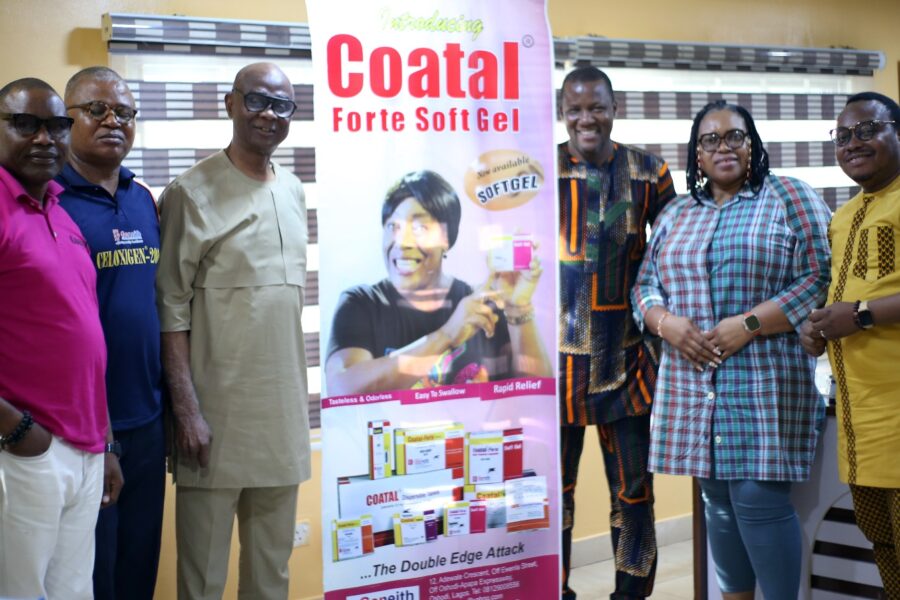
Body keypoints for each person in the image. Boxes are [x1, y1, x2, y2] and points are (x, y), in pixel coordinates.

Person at [632, 100, 831, 599]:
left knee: (759, 500)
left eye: (735, 136)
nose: (723, 147)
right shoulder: (676, 213)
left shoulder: (788, 197)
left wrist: (750, 323)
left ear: (752, 144)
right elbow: (645, 286)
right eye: (710, 140)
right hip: (692, 386)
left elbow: (820, 275)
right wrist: (666, 324)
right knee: (717, 502)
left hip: (764, 381)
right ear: (697, 154)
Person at [156, 62, 310, 599]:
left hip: (282, 418)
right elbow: (169, 309)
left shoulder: (294, 190)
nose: (269, 115)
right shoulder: (190, 192)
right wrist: (187, 412)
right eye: (257, 101)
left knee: (273, 574)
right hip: (213, 421)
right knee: (202, 579)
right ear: (230, 103)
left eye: (282, 105)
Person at [557, 65, 676, 599]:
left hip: (626, 366)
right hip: (553, 371)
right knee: (550, 497)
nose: (587, 119)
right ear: (563, 113)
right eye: (575, 109)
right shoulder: (539, 171)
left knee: (633, 494)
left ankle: (630, 594)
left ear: (614, 108)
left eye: (596, 107)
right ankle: (552, 590)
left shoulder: (650, 173)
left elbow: (674, 256)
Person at [0, 77, 122, 599]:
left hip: (85, 447)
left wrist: (105, 443)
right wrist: (17, 430)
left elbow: (85, 340)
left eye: (56, 126)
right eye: (25, 124)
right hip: (26, 449)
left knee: (74, 591)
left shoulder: (61, 211)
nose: (44, 138)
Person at [56, 66, 164, 600]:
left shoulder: (142, 198)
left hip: (147, 419)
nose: (112, 121)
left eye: (124, 112)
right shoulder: (49, 199)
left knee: (138, 569)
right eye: (96, 109)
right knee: (90, 577)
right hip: (79, 428)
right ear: (66, 119)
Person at [325, 169, 551, 395]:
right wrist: (447, 335)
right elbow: (342, 389)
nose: (402, 242)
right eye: (393, 226)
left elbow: (538, 395)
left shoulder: (481, 307)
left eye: (419, 228)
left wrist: (518, 307)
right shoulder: (361, 304)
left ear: (447, 238)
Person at [800, 92, 900, 596]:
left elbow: (860, 307)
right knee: (884, 545)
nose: (852, 143)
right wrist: (817, 327)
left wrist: (859, 316)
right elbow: (845, 294)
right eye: (842, 136)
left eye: (867, 130)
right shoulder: (842, 217)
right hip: (860, 420)